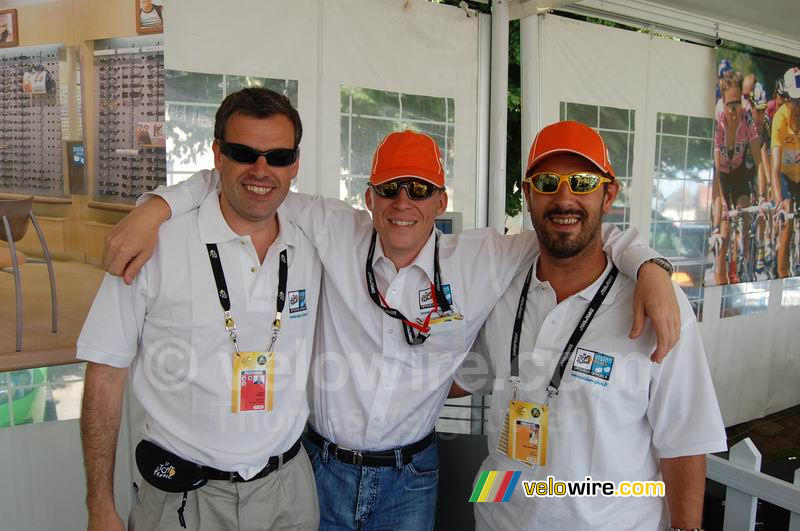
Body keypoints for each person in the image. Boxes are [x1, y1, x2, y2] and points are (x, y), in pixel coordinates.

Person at [103, 129, 681, 530]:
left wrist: (647, 263)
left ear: (441, 200)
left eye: (420, 189)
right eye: (390, 188)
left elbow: (574, 228)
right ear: (370, 197)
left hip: (411, 479)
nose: (404, 201)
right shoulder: (333, 229)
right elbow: (249, 181)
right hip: (319, 470)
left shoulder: (483, 257)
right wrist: (155, 206)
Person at [452, 121, 727, 530]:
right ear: (528, 194)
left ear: (608, 194)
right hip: (498, 518)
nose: (564, 199)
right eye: (547, 182)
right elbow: (453, 375)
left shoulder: (655, 304)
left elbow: (684, 438)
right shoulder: (501, 286)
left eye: (582, 183)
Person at [78, 88, 322, 531]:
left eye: (279, 156)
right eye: (243, 152)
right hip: (183, 497)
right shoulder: (154, 244)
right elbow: (105, 371)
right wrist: (100, 504)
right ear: (218, 154)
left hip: (288, 493)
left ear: (296, 163)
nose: (261, 170)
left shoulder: (313, 243)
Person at [711, 70, 763, 284]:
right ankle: (720, 275)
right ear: (723, 102)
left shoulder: (746, 114)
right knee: (723, 229)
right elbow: (714, 170)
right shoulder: (718, 119)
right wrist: (722, 202)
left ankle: (747, 265)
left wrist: (763, 197)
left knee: (745, 213)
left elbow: (759, 161)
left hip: (739, 171)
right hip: (721, 175)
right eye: (730, 104)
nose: (734, 110)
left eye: (737, 102)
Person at [770, 67, 800, 278]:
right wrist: (779, 201)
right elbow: (774, 168)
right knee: (788, 217)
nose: (799, 107)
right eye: (795, 101)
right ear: (788, 100)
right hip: (785, 175)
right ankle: (781, 274)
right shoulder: (779, 120)